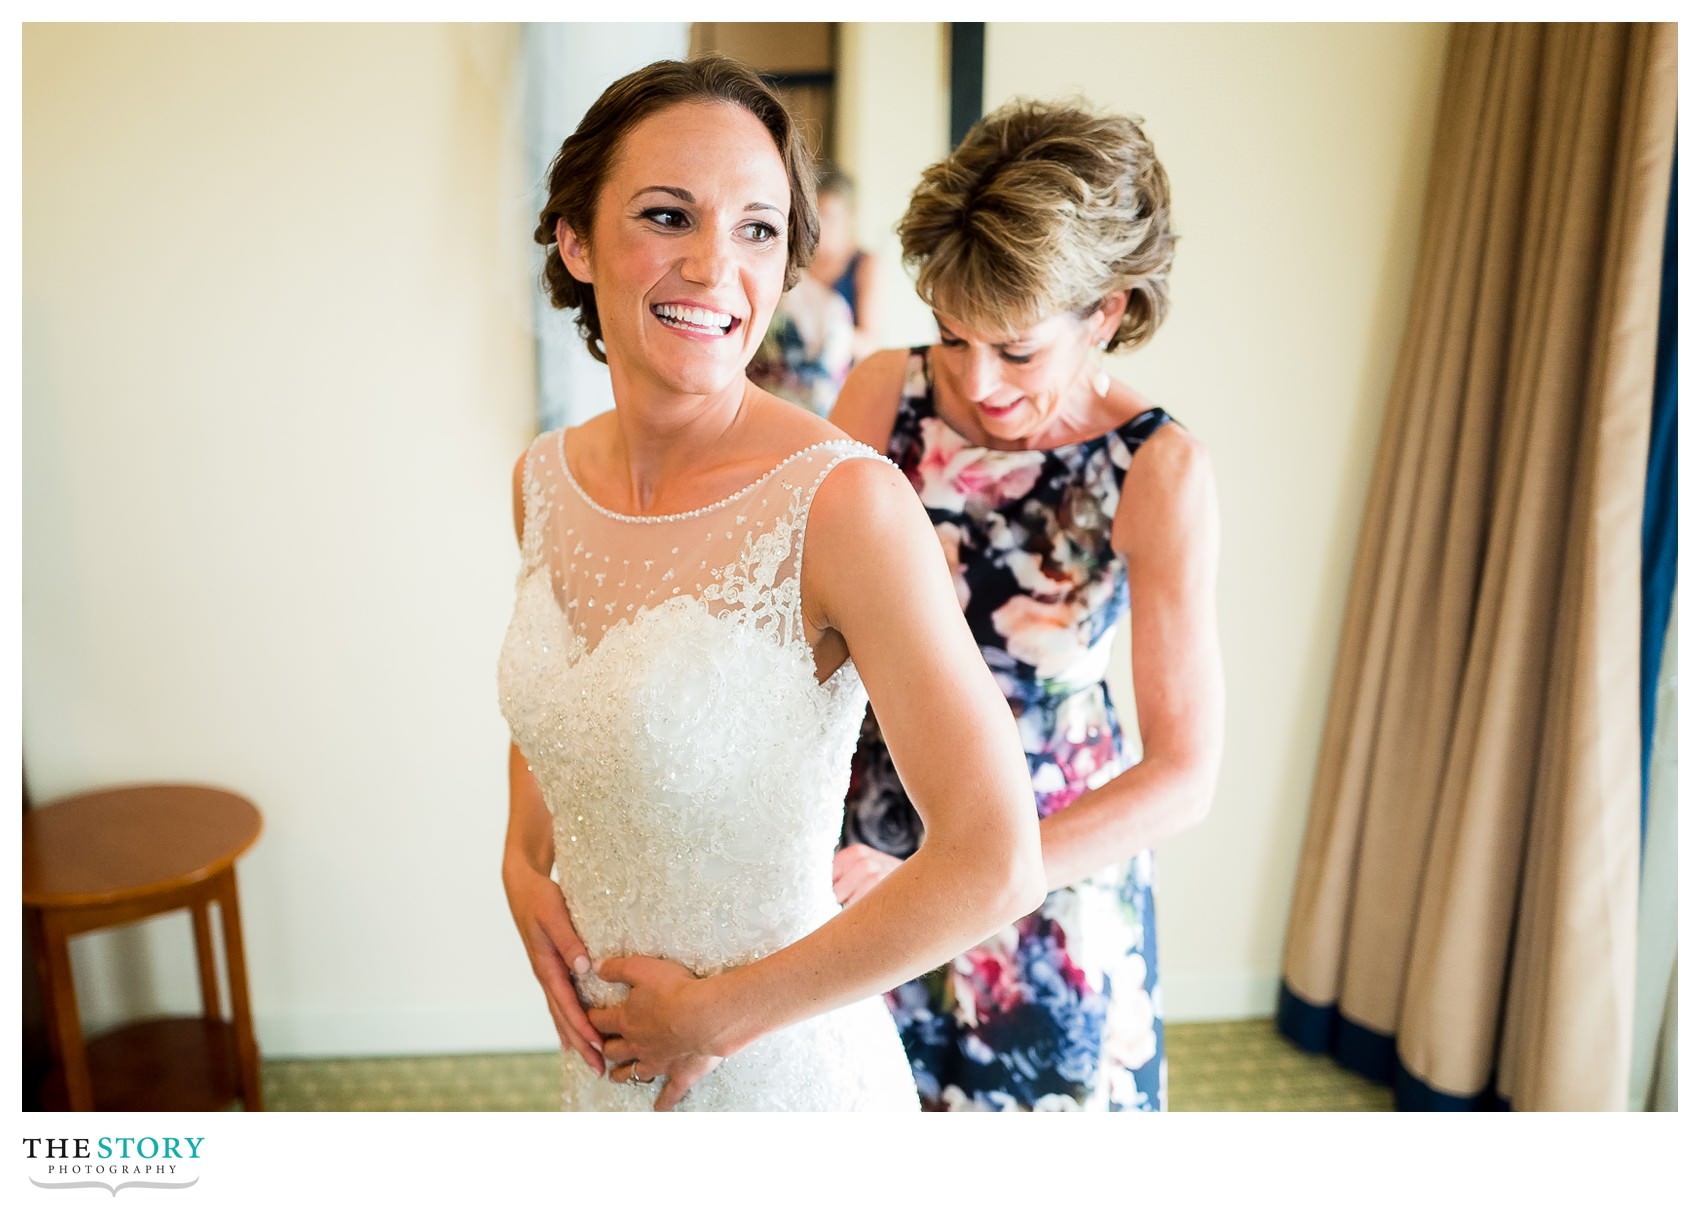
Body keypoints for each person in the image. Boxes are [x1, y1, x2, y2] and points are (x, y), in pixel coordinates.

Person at [496, 57, 1045, 1113]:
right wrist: (521, 863)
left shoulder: (841, 506)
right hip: (605, 1067)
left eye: (756, 228)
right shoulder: (542, 482)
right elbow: (553, 706)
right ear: (575, 239)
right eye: (667, 216)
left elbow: (997, 857)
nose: (714, 268)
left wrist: (720, 1012)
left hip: (779, 1080)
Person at [830, 99, 1225, 1112]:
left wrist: (976, 879)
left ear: (1106, 309)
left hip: (1050, 877)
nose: (975, 379)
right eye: (952, 337)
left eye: (1014, 350)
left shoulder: (1155, 470)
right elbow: (805, 643)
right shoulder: (883, 397)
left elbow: (1182, 776)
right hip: (866, 850)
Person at [807, 166, 881, 363]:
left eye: (828, 215)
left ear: (849, 217)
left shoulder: (863, 264)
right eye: (814, 215)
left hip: (843, 380)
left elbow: (870, 343)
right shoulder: (798, 260)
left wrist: (837, 337)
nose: (819, 225)